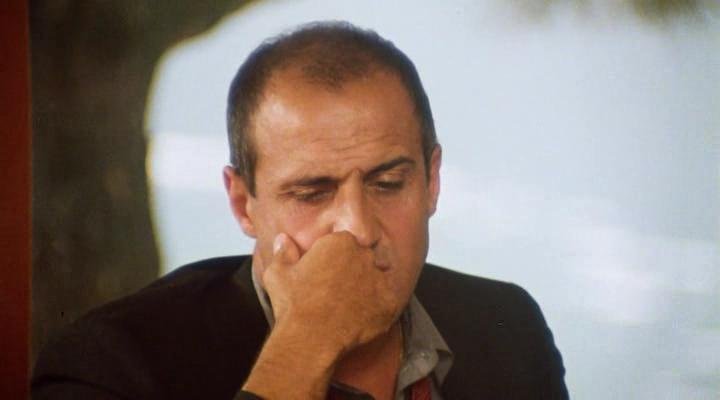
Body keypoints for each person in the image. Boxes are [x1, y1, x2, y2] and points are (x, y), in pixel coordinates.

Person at [32, 21, 568, 400]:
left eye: (387, 184)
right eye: (312, 193)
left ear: (432, 182)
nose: (357, 227)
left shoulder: (508, 326)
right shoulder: (114, 364)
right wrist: (307, 340)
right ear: (243, 205)